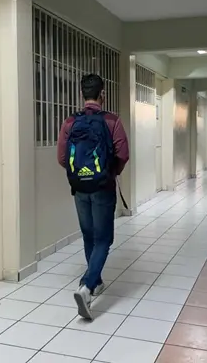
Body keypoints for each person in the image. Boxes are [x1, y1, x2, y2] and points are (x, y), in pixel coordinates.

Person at [57, 74, 129, 320]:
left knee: (89, 235)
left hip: (80, 188)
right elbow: (123, 154)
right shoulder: (112, 121)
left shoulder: (70, 122)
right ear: (102, 94)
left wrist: (80, 174)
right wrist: (111, 172)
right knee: (104, 238)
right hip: (103, 187)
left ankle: (95, 281)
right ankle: (87, 287)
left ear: (82, 94)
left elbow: (62, 158)